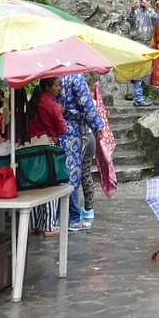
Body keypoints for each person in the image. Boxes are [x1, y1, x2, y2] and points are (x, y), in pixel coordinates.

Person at [59, 73, 106, 231]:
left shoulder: (53, 72)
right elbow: (86, 104)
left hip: (55, 127)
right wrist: (98, 126)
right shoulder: (75, 77)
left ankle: (57, 216)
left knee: (60, 172)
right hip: (72, 129)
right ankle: (72, 217)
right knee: (73, 173)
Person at [27, 78, 66, 236]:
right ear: (48, 87)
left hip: (32, 146)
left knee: (35, 184)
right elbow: (62, 128)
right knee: (51, 185)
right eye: (56, 85)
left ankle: (34, 223)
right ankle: (48, 225)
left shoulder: (34, 102)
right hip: (49, 146)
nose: (59, 88)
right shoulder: (51, 105)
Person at [125, 0, 159, 107]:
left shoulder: (151, 12)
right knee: (137, 71)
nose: (143, 1)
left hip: (147, 44)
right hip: (136, 43)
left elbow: (157, 21)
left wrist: (150, 8)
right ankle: (138, 98)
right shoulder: (135, 11)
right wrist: (132, 9)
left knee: (144, 71)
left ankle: (139, 96)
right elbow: (129, 20)